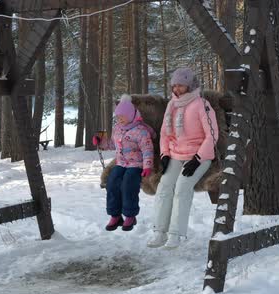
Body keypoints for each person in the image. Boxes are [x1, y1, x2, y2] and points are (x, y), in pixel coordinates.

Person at [147, 67, 219, 249]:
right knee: (164, 186)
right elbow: (165, 134)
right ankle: (159, 232)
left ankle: (175, 234)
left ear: (190, 86)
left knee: (181, 188)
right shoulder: (172, 105)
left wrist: (198, 159)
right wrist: (164, 155)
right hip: (176, 154)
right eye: (175, 85)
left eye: (181, 85)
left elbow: (212, 135)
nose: (177, 89)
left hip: (198, 156)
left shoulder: (202, 104)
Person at [93, 94, 156, 231]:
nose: (119, 119)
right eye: (117, 117)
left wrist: (147, 166)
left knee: (128, 184)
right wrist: (102, 142)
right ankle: (115, 215)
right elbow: (112, 145)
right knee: (112, 182)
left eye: (122, 117)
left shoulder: (141, 131)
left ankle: (130, 215)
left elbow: (147, 149)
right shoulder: (117, 128)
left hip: (136, 165)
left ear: (130, 116)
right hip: (121, 163)